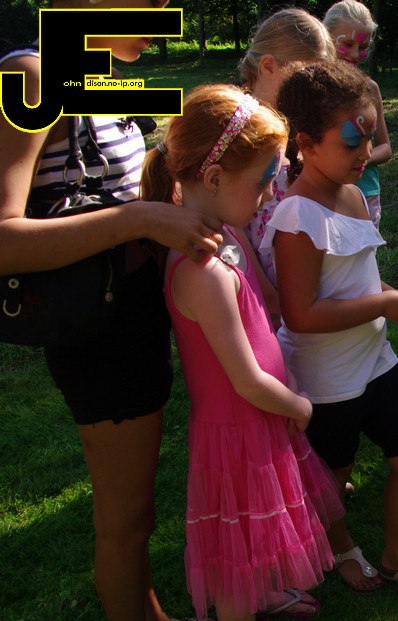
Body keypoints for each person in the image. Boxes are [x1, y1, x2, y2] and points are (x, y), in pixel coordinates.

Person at [0, 2, 225, 620]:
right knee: (124, 520)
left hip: (133, 315)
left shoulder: (98, 77)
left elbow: (111, 192)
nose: (165, 16)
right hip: (96, 330)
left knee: (138, 513)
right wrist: (140, 218)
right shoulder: (33, 76)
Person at [141, 83, 344, 621]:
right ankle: (239, 608)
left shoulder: (223, 232)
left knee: (261, 529)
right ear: (213, 178)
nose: (268, 194)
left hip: (259, 421)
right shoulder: (201, 271)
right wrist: (298, 405)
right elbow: (245, 378)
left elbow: (263, 313)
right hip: (238, 431)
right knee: (236, 546)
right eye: (262, 182)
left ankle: (265, 594)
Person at [262, 61, 398, 593]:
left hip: (374, 359)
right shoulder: (297, 217)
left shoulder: (350, 193)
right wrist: (382, 304)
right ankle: (341, 546)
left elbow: (358, 279)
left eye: (369, 138)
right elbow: (301, 314)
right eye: (352, 142)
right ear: (306, 143)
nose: (365, 153)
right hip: (326, 377)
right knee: (333, 478)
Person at [239, 7, 336, 322]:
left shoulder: (299, 124)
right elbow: (228, 226)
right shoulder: (239, 129)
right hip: (258, 295)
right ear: (268, 66)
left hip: (302, 288)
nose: (313, 91)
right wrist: (268, 296)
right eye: (303, 78)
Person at [323, 0, 393, 228]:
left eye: (363, 47)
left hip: (365, 194)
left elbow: (385, 147)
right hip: (322, 194)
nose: (355, 54)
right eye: (347, 44)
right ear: (326, 38)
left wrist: (356, 160)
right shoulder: (312, 89)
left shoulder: (370, 89)